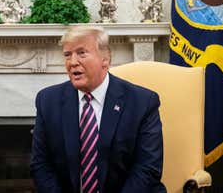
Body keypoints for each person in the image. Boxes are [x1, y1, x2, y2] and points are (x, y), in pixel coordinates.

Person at [31, 25, 166, 193]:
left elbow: (147, 169)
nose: (73, 62)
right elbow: (41, 165)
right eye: (67, 55)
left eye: (81, 53)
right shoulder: (47, 101)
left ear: (105, 59)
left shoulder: (143, 102)